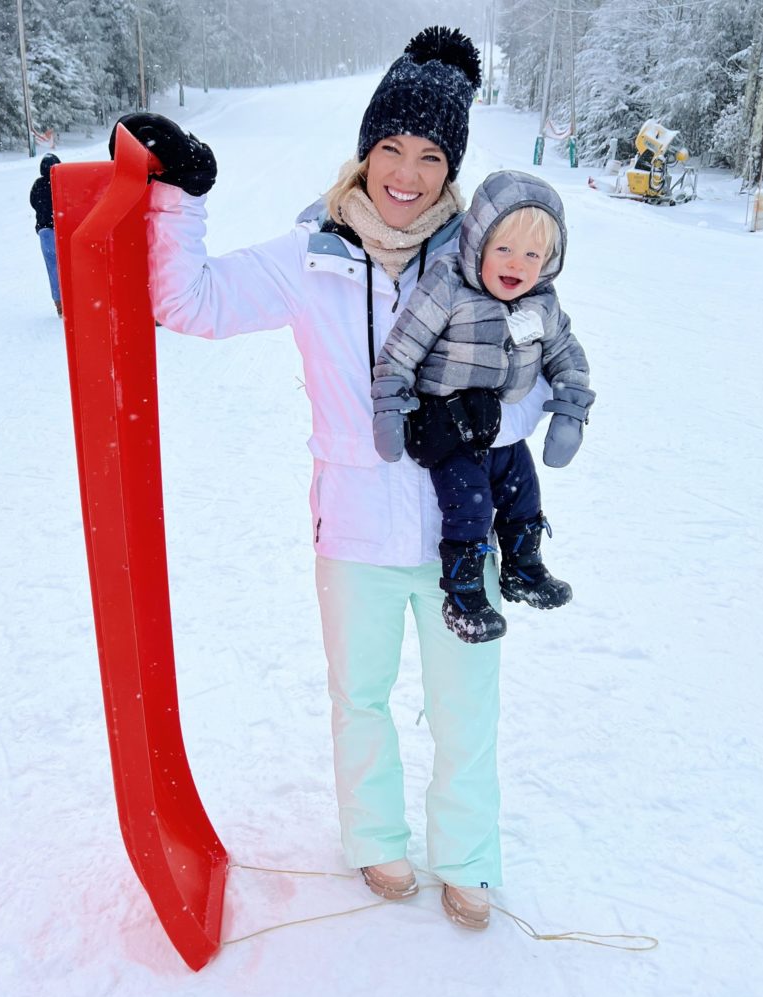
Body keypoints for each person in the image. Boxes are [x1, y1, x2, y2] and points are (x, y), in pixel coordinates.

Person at [111, 26, 553, 931]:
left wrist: (483, 421)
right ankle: (377, 842)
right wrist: (184, 197)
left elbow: (538, 376)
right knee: (359, 698)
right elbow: (185, 303)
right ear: (365, 149)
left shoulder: (481, 258)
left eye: (431, 156)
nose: (408, 172)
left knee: (466, 708)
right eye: (391, 146)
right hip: (352, 527)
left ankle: (468, 858)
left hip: (458, 532)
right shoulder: (309, 255)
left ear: (451, 168)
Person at [372, 170, 595, 643]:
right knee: (469, 507)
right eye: (505, 249)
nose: (517, 264)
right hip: (450, 429)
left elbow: (567, 356)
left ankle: (523, 567)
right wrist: (390, 407)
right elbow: (402, 348)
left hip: (504, 436)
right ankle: (464, 592)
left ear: (550, 261)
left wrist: (570, 411)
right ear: (477, 244)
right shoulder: (447, 287)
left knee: (523, 494)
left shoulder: (542, 305)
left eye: (533, 254)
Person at [29, 153, 63, 317]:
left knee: (53, 269)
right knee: (69, 266)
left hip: (44, 232)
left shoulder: (37, 185)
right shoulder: (62, 182)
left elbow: (33, 203)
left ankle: (59, 304)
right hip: (63, 230)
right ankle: (74, 300)